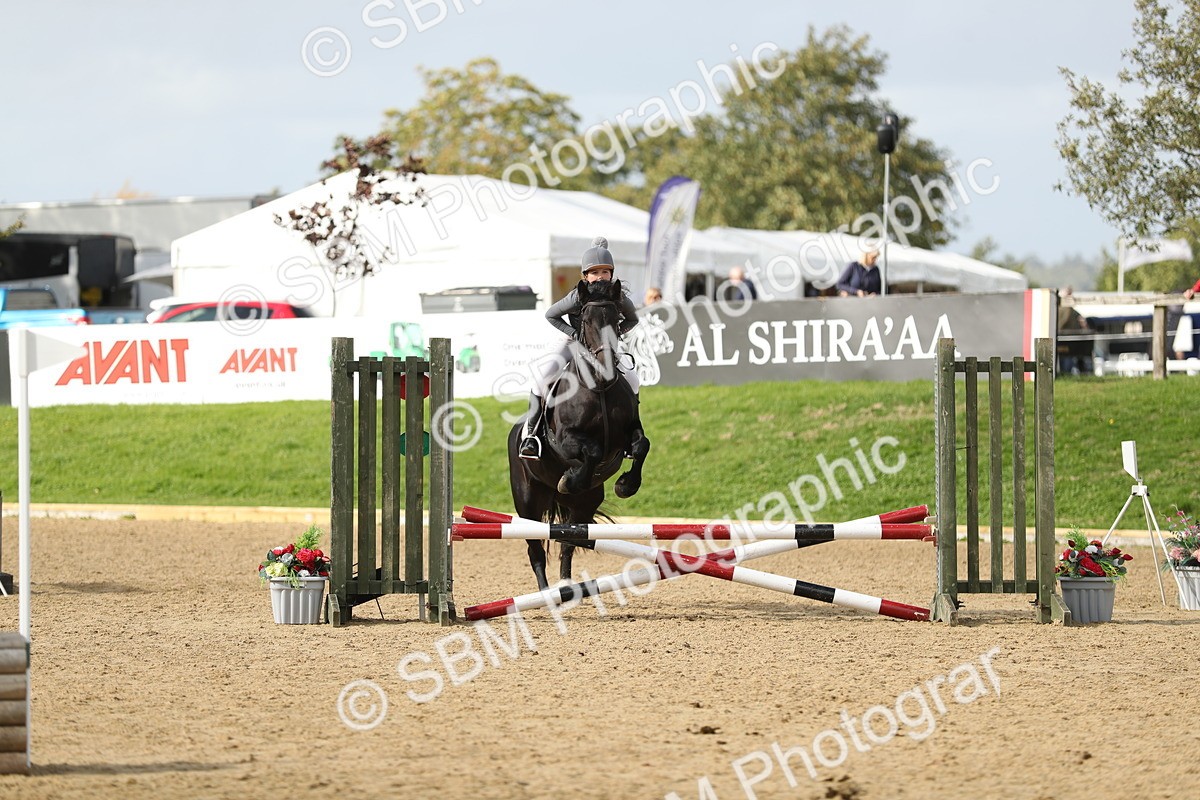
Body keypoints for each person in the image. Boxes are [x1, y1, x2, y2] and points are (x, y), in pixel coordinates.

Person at [520, 236, 641, 460]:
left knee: (633, 380)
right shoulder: (577, 296)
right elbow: (551, 314)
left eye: (605, 272)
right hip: (573, 343)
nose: (600, 276)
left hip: (604, 346)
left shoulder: (618, 296)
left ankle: (631, 437)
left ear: (611, 274)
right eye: (594, 272)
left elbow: (633, 320)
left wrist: (615, 335)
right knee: (542, 378)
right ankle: (531, 435)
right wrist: (574, 333)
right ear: (585, 275)